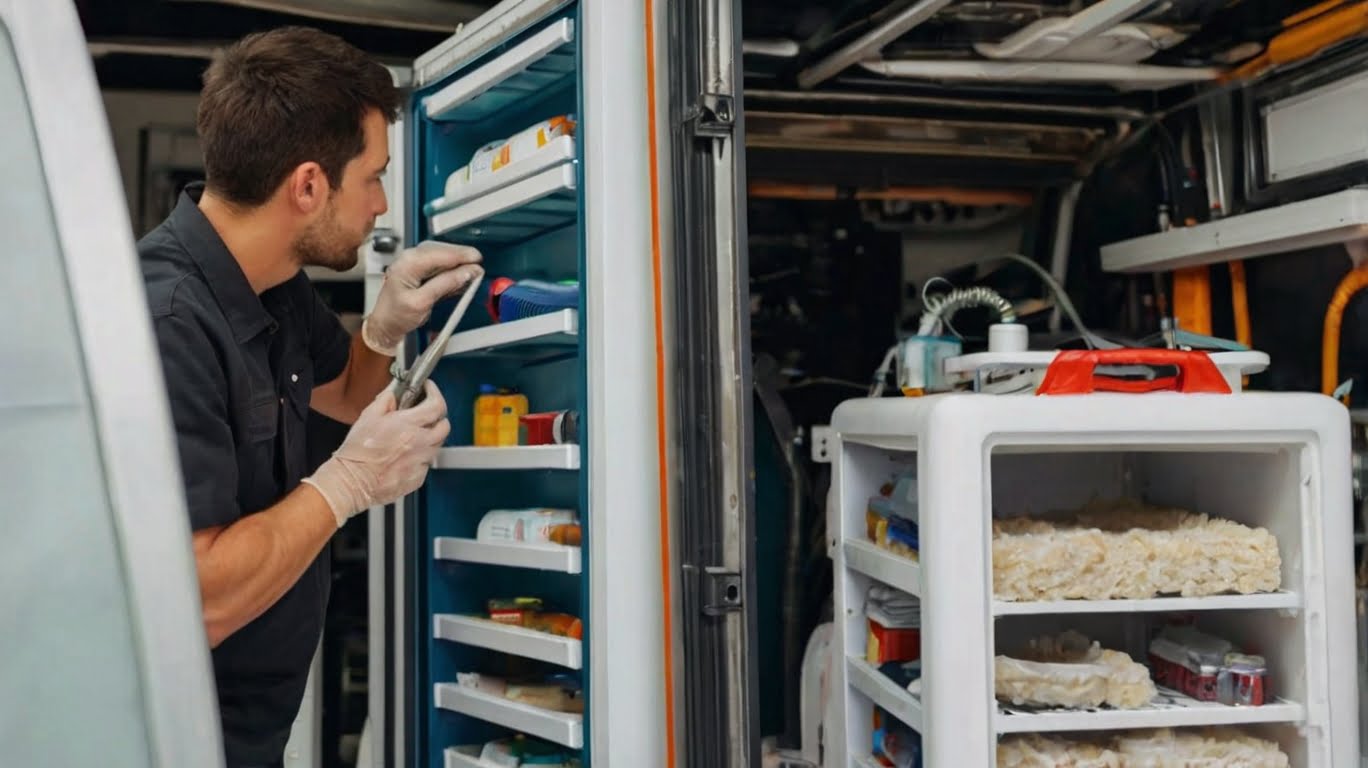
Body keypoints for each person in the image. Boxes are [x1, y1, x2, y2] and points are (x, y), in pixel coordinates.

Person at [138, 26, 482, 768]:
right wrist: (348, 483)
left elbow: (346, 391)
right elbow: (197, 601)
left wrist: (385, 328)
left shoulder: (274, 286)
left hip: (248, 734)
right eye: (374, 177)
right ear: (307, 186)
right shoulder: (165, 326)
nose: (383, 206)